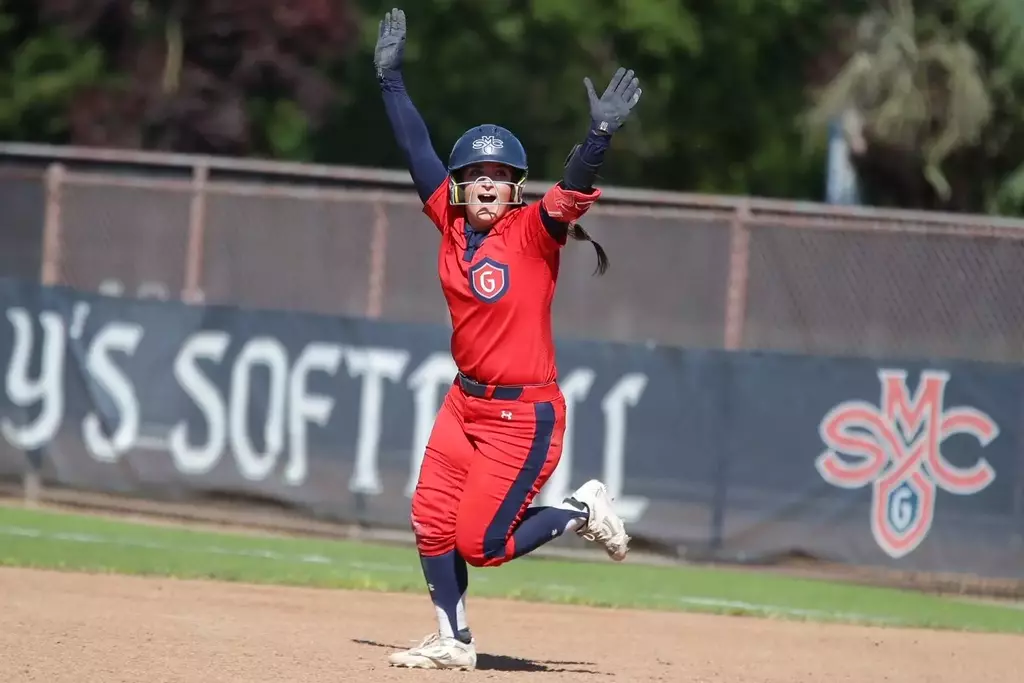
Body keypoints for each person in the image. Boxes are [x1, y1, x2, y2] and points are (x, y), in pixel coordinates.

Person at [373, 7, 643, 671]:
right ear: (460, 187)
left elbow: (573, 188)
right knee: (431, 518)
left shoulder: (530, 232)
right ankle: (453, 640)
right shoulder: (448, 218)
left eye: (499, 174)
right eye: (475, 174)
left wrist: (598, 136)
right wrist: (390, 80)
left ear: (515, 187)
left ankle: (581, 508)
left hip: (523, 413)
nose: (485, 182)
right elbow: (417, 150)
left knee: (483, 542)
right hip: (465, 403)